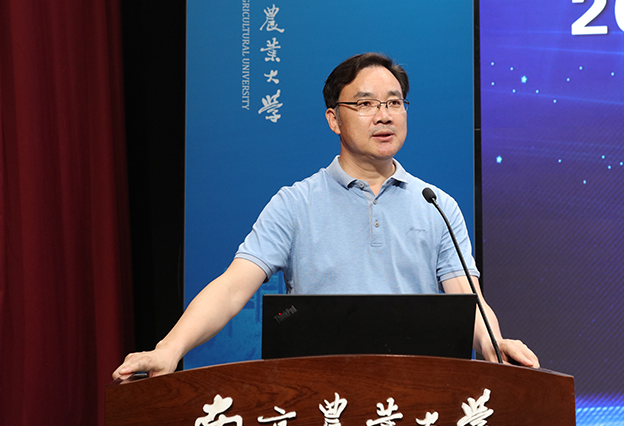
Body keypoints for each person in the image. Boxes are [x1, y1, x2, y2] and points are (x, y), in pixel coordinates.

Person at [113, 53, 539, 380]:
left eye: (394, 102)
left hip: (418, 392)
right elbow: (231, 289)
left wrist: (494, 345)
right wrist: (169, 350)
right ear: (334, 119)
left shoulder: (436, 204)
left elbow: (469, 300)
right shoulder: (295, 203)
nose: (384, 115)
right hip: (320, 396)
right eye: (366, 103)